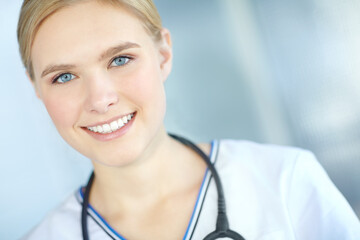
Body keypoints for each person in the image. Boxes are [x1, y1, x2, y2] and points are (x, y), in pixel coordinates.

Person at [17, 0, 360, 239]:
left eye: (120, 59)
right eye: (63, 77)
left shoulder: (286, 182)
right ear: (37, 89)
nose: (100, 99)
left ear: (163, 55)